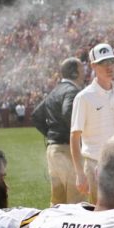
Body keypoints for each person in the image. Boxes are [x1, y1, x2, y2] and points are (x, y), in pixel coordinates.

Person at [70, 43, 114, 204]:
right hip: (95, 163)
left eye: (111, 62)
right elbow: (75, 137)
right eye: (104, 63)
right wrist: (79, 173)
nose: (109, 67)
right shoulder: (84, 97)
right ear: (93, 66)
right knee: (99, 214)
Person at [33, 57, 84, 205]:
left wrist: (52, 134)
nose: (84, 73)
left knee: (58, 200)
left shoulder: (54, 91)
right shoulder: (72, 91)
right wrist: (77, 135)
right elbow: (67, 111)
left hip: (53, 149)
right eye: (82, 70)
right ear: (74, 73)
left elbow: (36, 115)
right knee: (76, 200)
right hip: (67, 149)